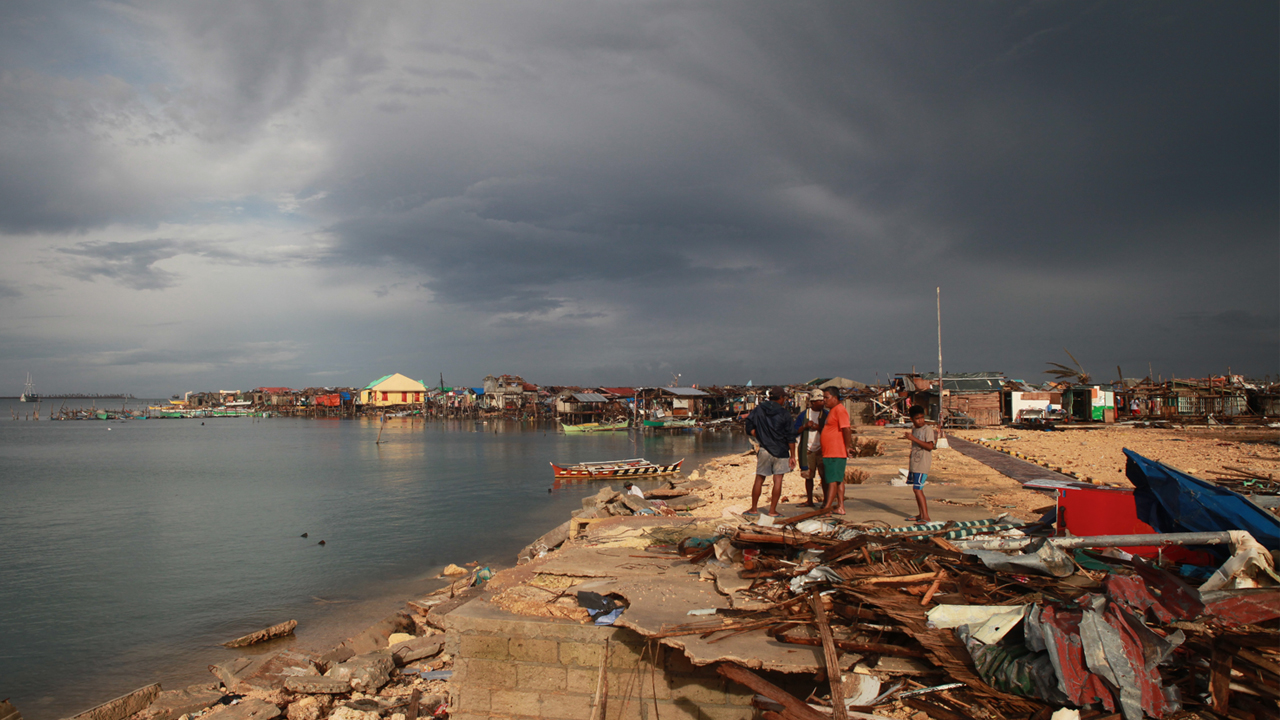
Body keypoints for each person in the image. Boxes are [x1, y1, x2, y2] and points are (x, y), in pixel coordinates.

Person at [744, 386, 797, 517]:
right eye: (784, 398)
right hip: (781, 451)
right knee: (778, 480)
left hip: (764, 449)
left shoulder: (759, 410)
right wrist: (793, 455)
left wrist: (758, 434)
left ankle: (754, 509)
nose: (785, 400)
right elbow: (791, 436)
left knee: (759, 479)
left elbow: (748, 425)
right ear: (780, 398)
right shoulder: (784, 413)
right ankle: (772, 511)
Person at [818, 386, 854, 515]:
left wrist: (847, 446)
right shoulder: (833, 411)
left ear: (834, 397)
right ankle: (840, 506)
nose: (824, 400)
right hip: (830, 452)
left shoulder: (840, 410)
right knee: (838, 480)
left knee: (832, 481)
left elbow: (847, 429)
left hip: (835, 452)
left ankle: (827, 507)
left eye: (826, 397)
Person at [903, 405, 939, 523]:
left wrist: (913, 439)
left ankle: (926, 516)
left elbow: (930, 446)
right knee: (915, 489)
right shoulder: (915, 429)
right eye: (918, 418)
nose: (921, 420)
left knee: (918, 489)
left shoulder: (927, 430)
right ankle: (921, 514)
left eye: (922, 417)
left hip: (923, 464)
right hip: (915, 464)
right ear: (912, 419)